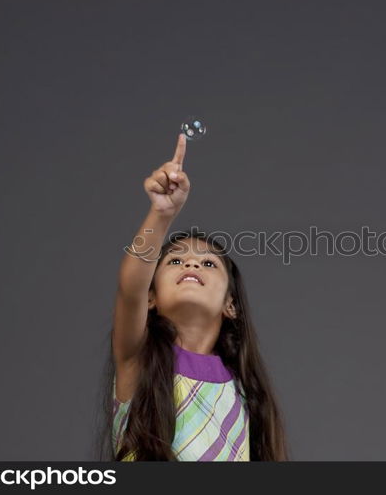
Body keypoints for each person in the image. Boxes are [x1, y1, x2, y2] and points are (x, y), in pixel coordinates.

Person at [107, 133, 288, 461]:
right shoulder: (139, 360)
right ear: (151, 298)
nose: (191, 262)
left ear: (229, 304)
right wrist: (161, 215)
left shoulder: (245, 394)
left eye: (208, 263)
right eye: (175, 260)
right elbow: (129, 288)